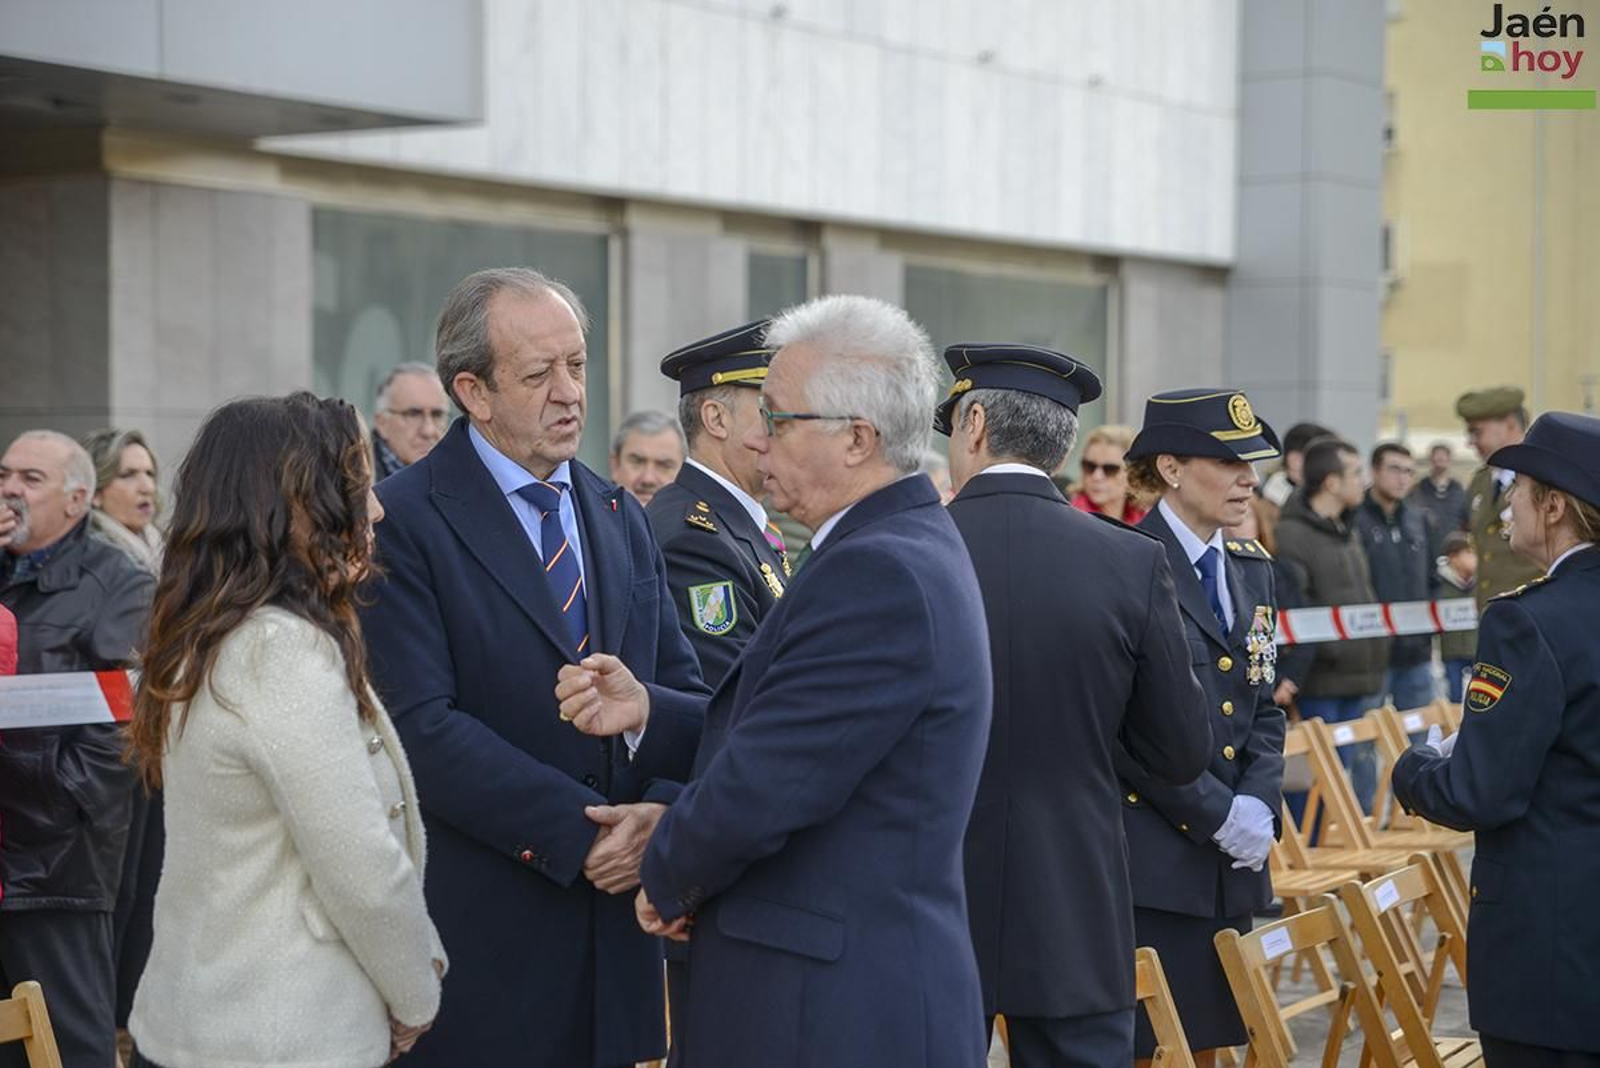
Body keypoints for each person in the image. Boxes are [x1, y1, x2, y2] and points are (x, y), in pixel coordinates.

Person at [564, 294, 993, 1068]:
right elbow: (787, 728)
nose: (762, 441)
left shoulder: (879, 569)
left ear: (856, 439)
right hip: (832, 991)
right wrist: (651, 713)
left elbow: (773, 778)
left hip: (832, 1007)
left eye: (781, 418)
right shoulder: (888, 544)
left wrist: (667, 868)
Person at [360, 267, 707, 1068]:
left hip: (616, 941)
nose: (569, 393)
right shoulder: (404, 519)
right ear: (473, 391)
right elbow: (418, 727)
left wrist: (652, 824)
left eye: (578, 366)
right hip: (487, 944)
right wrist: (576, 836)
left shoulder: (620, 514)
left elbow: (681, 695)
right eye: (538, 373)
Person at [125, 394, 444, 1068]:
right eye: (355, 486)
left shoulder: (214, 632)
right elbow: (358, 861)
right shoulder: (278, 652)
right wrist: (416, 993)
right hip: (277, 1035)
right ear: (292, 505)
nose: (377, 508)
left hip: (212, 1021)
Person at [939, 346, 1212, 1068]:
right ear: (1062, 444)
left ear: (972, 426)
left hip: (929, 889)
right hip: (1074, 893)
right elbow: (1182, 751)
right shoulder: (1128, 559)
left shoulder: (902, 546)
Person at [1391, 411, 1600, 1068]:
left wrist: (1413, 766)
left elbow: (1481, 791)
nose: (1505, 500)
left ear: (1556, 504)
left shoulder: (1529, 621)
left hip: (1553, 951)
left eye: (1516, 486)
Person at [1116, 388, 1287, 1067]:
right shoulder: (1122, 561)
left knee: (1214, 1040)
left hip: (1229, 862)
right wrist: (1217, 811)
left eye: (1252, 462)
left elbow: (1263, 703)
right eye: (1229, 460)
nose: (1249, 477)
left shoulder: (1250, 570)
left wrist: (1259, 801)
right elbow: (1122, 730)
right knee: (1147, 1047)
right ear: (1172, 468)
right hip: (1156, 857)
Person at [0, 430, 154, 1068]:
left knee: (66, 1046)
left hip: (56, 862)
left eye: (31, 480)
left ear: (77, 499)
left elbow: (121, 733)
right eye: (5, 474)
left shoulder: (119, 584)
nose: (10, 489)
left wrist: (51, 800)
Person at [648, 320, 788, 689]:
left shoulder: (735, 521)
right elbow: (731, 692)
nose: (787, 429)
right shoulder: (697, 540)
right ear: (716, 419)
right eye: (771, 412)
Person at [1274, 436, 1389, 811]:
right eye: (1355, 473)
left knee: (1343, 785)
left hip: (1358, 676)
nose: (1363, 481)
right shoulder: (1292, 533)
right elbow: (1296, 606)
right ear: (1331, 482)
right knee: (1314, 786)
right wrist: (1332, 648)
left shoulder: (1347, 530)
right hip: (1323, 679)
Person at [1356, 442, 1438, 710]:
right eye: (1394, 469)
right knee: (1363, 746)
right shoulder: (1353, 519)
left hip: (1416, 654)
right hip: (1371, 656)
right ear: (1375, 471)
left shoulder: (1419, 520)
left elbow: (1433, 578)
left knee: (1423, 742)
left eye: (1409, 471)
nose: (1402, 478)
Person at [1457, 386, 1543, 608]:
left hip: (1532, 614)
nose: (1470, 442)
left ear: (1510, 425)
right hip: (1491, 612)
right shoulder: (1480, 482)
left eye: (1477, 432)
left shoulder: (1542, 481)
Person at [82, 428, 164, 573]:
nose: (148, 488)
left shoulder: (167, 547)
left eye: (150, 474)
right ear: (95, 493)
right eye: (128, 475)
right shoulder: (89, 560)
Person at [372, 361, 452, 480]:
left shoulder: (466, 474)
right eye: (413, 414)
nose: (428, 431)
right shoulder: (351, 484)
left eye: (437, 415)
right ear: (382, 423)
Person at [1071, 423, 1147, 524]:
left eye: (1110, 469)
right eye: (1090, 466)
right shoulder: (1071, 518)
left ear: (1133, 473)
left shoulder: (1147, 521)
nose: (1097, 476)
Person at [609, 410, 685, 508]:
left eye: (664, 465)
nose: (648, 479)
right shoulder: (589, 520)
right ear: (615, 465)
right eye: (637, 462)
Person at [1435, 531, 1478, 704]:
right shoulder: (1439, 584)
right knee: (1453, 699)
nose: (1474, 558)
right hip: (1451, 651)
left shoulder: (1481, 583)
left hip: (1477, 649)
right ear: (1453, 557)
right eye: (1468, 553)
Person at [1409, 441, 1469, 559]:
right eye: (1436, 458)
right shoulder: (1418, 490)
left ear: (1449, 460)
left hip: (1453, 552)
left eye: (1443, 458)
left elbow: (1467, 521)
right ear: (1431, 460)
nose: (1439, 461)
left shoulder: (1459, 491)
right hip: (1425, 549)